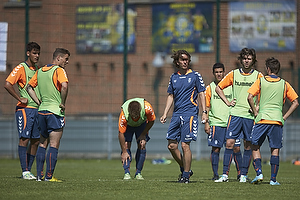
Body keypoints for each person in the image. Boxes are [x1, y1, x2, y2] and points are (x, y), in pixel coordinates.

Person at [214, 48, 263, 183]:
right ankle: (224, 175)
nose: (246, 61)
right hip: (235, 114)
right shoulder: (233, 74)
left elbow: (264, 91)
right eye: (244, 58)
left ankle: (243, 175)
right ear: (241, 60)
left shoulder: (259, 76)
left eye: (249, 58)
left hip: (249, 116)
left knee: (247, 145)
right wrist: (228, 102)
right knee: (229, 143)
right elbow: (218, 88)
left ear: (253, 60)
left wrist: (257, 105)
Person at [247, 57, 298, 185]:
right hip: (277, 120)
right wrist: (284, 117)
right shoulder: (284, 84)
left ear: (268, 69)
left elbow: (249, 97)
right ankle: (273, 180)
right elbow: (295, 102)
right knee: (275, 149)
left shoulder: (261, 81)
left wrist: (255, 111)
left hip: (262, 119)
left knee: (254, 145)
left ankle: (259, 173)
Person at [160, 50, 207, 184]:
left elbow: (202, 93)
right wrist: (165, 113)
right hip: (176, 115)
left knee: (185, 145)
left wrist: (204, 112)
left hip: (190, 114)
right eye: (183, 60)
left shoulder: (195, 75)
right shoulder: (173, 77)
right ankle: (185, 167)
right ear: (177, 62)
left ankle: (185, 176)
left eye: (187, 59)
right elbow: (171, 96)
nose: (185, 62)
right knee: (171, 145)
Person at [26, 48, 70, 182]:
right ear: (58, 58)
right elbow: (64, 86)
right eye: (66, 59)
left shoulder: (40, 71)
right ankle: (49, 177)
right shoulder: (59, 70)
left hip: (42, 111)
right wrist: (62, 103)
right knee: (54, 144)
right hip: (54, 112)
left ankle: (39, 176)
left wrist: (38, 102)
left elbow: (29, 87)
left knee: (42, 144)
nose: (67, 62)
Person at [4, 42, 41, 180]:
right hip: (24, 110)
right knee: (24, 139)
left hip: (37, 109)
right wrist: (19, 98)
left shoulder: (37, 69)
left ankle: (28, 171)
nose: (36, 56)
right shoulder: (21, 67)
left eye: (38, 53)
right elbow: (7, 84)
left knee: (36, 141)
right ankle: (25, 171)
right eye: (34, 53)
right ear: (28, 53)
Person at [204, 63, 242, 181]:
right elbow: (207, 107)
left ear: (224, 72)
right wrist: (206, 122)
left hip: (232, 122)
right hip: (216, 123)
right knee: (216, 149)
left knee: (236, 148)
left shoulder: (231, 86)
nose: (219, 74)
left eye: (221, 72)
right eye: (216, 72)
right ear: (213, 73)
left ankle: (241, 175)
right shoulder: (209, 88)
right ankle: (216, 175)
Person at [118, 98, 156, 180]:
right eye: (133, 116)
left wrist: (143, 134)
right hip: (129, 126)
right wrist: (124, 151)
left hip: (141, 125)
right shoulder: (124, 114)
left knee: (142, 144)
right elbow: (121, 133)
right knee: (126, 145)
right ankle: (127, 173)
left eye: (137, 115)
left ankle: (138, 173)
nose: (135, 117)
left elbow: (152, 121)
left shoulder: (147, 108)